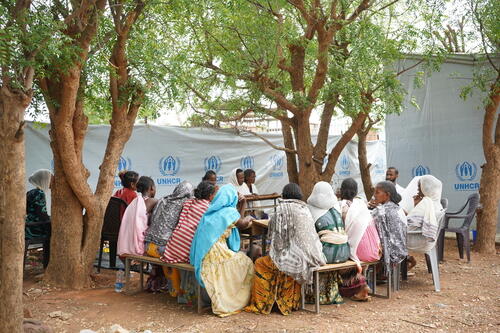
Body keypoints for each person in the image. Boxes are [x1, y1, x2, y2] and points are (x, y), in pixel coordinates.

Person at [245, 183, 326, 315]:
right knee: (284, 256)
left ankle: (263, 304)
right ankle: (290, 301)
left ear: (284, 194)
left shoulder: (282, 209)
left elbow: (273, 236)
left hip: (293, 260)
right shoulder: (304, 208)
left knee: (260, 263)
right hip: (310, 257)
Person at [189, 184, 254, 317]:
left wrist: (240, 209)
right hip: (217, 254)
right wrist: (246, 210)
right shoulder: (229, 212)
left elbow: (237, 220)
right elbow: (242, 223)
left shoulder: (211, 211)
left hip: (204, 254)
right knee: (246, 262)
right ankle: (235, 298)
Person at [160, 181, 217, 304]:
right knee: (201, 258)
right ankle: (194, 297)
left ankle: (184, 294)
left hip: (172, 246)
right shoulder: (209, 208)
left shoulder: (189, 202)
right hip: (184, 251)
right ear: (211, 196)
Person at [143, 181, 194, 295]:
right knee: (184, 256)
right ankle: (178, 291)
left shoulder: (162, 199)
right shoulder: (185, 204)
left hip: (147, 246)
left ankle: (167, 286)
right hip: (162, 249)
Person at [305, 181, 348, 305]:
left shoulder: (310, 209)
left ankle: (315, 295)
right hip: (344, 253)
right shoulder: (335, 208)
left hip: (327, 255)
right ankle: (331, 293)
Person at [339, 178, 381, 301]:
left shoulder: (340, 206)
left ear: (341, 191)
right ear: (356, 192)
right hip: (374, 250)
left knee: (342, 255)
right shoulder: (362, 205)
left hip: (358, 251)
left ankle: (359, 288)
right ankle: (362, 286)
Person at [371, 181, 407, 275]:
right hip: (401, 250)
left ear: (387, 195)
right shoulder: (398, 208)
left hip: (390, 253)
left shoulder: (381, 211)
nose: (374, 195)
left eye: (377, 192)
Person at [117, 176, 157, 257]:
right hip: (140, 244)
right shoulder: (154, 201)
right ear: (152, 188)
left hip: (127, 244)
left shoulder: (134, 202)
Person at [406, 175, 444, 254]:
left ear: (426, 188)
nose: (417, 189)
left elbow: (410, 226)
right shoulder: (437, 204)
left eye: (419, 187)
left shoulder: (425, 203)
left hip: (414, 240)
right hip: (428, 241)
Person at [26, 169, 53, 267]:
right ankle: (48, 264)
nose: (51, 183)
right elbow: (42, 215)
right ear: (44, 180)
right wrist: (51, 220)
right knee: (54, 233)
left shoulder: (31, 192)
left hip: (28, 225)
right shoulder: (39, 193)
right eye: (50, 180)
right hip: (33, 228)